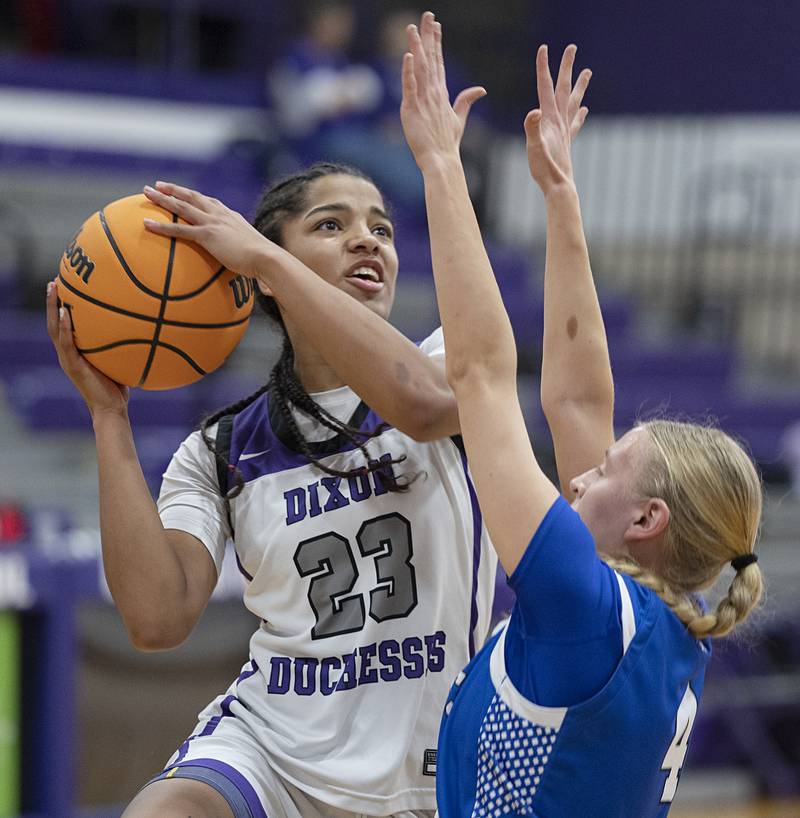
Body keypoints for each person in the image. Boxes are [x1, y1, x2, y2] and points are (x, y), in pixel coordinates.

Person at [397, 13, 765, 817]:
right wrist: (561, 199)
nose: (579, 476)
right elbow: (576, 401)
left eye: (605, 470)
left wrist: (441, 166)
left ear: (646, 519)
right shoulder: (658, 625)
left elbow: (482, 376)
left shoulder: (584, 606)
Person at [47, 159, 498, 813]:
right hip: (272, 751)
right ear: (264, 269)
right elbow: (156, 620)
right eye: (331, 224)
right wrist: (108, 416)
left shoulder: (446, 361)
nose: (367, 240)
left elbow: (425, 408)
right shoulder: (221, 447)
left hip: (427, 762)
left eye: (381, 229)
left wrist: (265, 259)